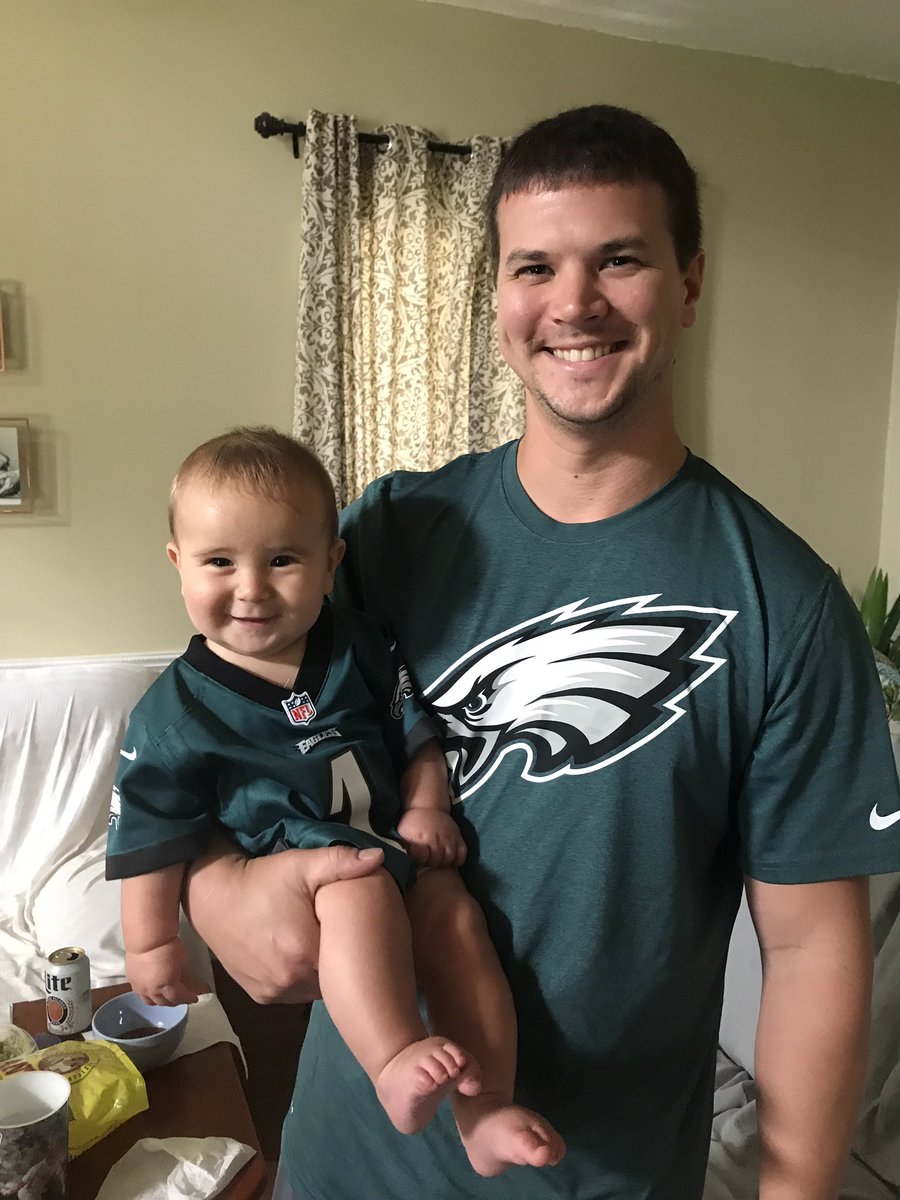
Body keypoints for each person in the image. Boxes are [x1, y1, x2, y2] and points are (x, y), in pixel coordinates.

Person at [184, 106, 900, 1200]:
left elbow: (811, 950)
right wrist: (212, 892)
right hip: (344, 1153)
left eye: (620, 258)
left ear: (691, 280)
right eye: (536, 266)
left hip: (594, 1175)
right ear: (498, 294)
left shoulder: (786, 607)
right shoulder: (384, 535)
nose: (573, 304)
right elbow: (220, 728)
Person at [106, 427, 563, 1176]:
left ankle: (486, 1110)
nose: (250, 588)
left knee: (458, 921)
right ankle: (392, 1063)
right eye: (220, 562)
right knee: (357, 897)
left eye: (281, 560)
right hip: (314, 878)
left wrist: (426, 808)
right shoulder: (171, 713)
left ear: (331, 564)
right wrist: (153, 944)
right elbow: (154, 836)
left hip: (396, 851)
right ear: (177, 565)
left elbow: (416, 741)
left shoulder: (362, 648)